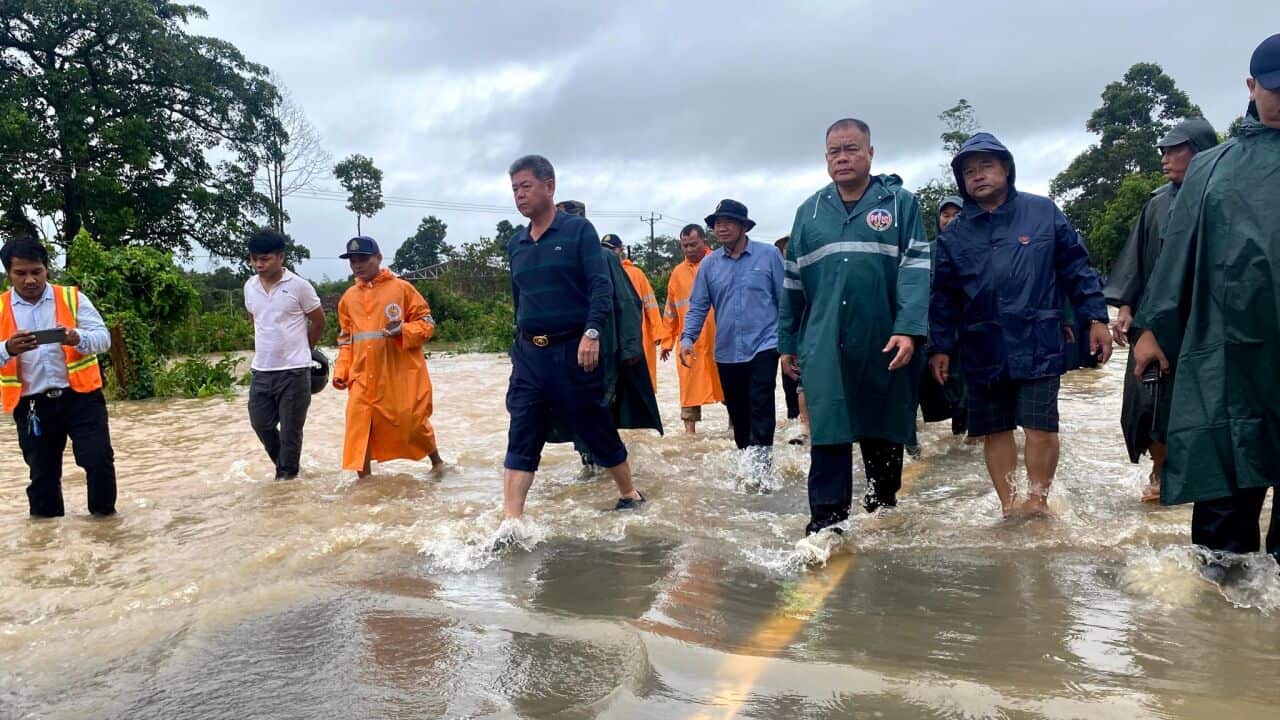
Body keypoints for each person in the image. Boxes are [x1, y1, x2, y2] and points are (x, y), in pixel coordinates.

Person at [1132, 34, 1280, 572]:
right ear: (1251, 87)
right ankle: (1219, 611)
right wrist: (1152, 331)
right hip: (1226, 351)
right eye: (1274, 88)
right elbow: (1177, 261)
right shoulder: (1212, 168)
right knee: (1224, 488)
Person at [929, 132, 1112, 518]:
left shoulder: (1042, 212)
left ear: (1007, 168)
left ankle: (1038, 502)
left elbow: (1077, 268)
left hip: (1037, 337)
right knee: (994, 430)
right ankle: (1010, 505)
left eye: (986, 166)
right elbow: (943, 296)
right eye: (969, 171)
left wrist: (1095, 317)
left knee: (1040, 425)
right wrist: (940, 347)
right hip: (981, 342)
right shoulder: (955, 234)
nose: (978, 176)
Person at [780, 118, 930, 557]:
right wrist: (788, 342)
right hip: (823, 341)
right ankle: (826, 524)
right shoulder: (809, 212)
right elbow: (792, 284)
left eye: (850, 149)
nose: (841, 158)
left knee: (882, 424)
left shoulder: (900, 205)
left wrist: (908, 329)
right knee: (828, 427)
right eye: (833, 152)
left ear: (870, 153)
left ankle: (883, 506)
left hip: (883, 338)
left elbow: (916, 272)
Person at [501, 154, 644, 528]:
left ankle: (628, 492)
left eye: (526, 186)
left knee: (593, 422)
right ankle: (511, 521)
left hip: (574, 348)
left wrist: (593, 332)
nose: (519, 195)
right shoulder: (515, 244)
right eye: (514, 188)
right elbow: (520, 301)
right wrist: (518, 348)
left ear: (550, 186)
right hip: (531, 353)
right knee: (522, 428)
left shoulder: (578, 232)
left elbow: (601, 286)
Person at [1103, 116, 1218, 503]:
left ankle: (1197, 476)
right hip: (1157, 322)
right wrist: (1127, 306)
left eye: (1175, 149)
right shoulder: (1155, 204)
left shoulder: (1222, 195)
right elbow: (1136, 262)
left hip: (1209, 320)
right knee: (1147, 401)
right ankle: (1160, 469)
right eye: (1163, 151)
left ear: (1200, 151)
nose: (1165, 158)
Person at [0, 236, 115, 517]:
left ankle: (106, 530)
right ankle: (46, 544)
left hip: (81, 398)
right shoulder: (1, 308)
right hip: (32, 405)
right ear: (8, 274)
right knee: (42, 475)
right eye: (21, 273)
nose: (30, 280)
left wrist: (77, 337)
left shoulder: (72, 298)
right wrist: (7, 348)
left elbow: (104, 339)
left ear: (46, 269)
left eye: (36, 271)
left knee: (98, 461)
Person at [681, 199, 785, 482]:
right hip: (727, 350)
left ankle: (762, 469)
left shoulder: (769, 255)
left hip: (765, 342)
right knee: (738, 410)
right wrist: (687, 338)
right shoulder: (709, 265)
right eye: (717, 224)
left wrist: (791, 343)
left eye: (728, 222)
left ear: (743, 226)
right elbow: (699, 305)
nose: (721, 228)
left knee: (761, 400)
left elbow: (785, 301)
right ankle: (746, 462)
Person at [331, 236, 443, 478]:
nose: (357, 265)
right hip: (361, 375)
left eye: (363, 259)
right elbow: (345, 340)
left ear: (379, 258)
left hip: (398, 372)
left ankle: (437, 463)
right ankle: (365, 485)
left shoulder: (402, 289)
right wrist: (341, 371)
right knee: (360, 427)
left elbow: (427, 323)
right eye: (353, 261)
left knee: (412, 423)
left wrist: (403, 330)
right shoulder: (348, 298)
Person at [243, 229, 326, 481]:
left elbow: (319, 321)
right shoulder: (249, 286)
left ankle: (286, 480)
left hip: (294, 372)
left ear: (280, 257)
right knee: (260, 423)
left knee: (291, 431)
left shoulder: (299, 286)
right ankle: (286, 467)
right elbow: (255, 319)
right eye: (254, 258)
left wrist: (303, 350)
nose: (258, 264)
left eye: (265, 258)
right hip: (262, 370)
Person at [661, 225, 725, 434]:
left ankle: (735, 429)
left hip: (721, 338)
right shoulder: (677, 273)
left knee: (729, 385)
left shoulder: (720, 262)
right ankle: (690, 436)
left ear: (704, 241)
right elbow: (670, 311)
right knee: (689, 390)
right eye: (684, 245)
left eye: (693, 244)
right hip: (690, 342)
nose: (689, 249)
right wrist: (666, 342)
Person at [918, 196, 967, 438]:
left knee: (968, 391)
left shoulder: (977, 247)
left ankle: (966, 440)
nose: (949, 220)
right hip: (936, 330)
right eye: (945, 215)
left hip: (969, 332)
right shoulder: (927, 251)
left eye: (956, 214)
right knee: (935, 385)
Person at [602, 233, 667, 390]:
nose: (608, 253)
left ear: (620, 250)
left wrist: (659, 333)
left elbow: (650, 305)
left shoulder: (636, 274)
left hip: (638, 335)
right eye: (604, 249)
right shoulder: (600, 273)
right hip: (613, 336)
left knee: (642, 381)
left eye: (612, 249)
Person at [773, 235, 809, 445]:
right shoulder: (779, 276)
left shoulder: (812, 271)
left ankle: (805, 426)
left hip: (812, 338)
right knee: (793, 388)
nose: (788, 254)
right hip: (789, 342)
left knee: (806, 385)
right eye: (785, 251)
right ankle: (799, 426)